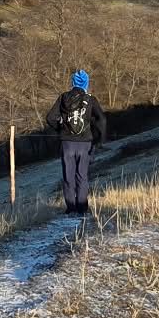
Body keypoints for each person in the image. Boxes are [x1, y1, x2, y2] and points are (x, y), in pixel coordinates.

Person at [45, 69, 107, 214]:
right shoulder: (90, 99)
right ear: (86, 83)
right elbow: (102, 120)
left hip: (67, 143)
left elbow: (50, 118)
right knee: (82, 176)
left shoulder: (63, 98)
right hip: (85, 143)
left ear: (73, 82)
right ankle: (82, 208)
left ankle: (71, 208)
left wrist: (60, 129)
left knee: (68, 176)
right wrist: (99, 139)